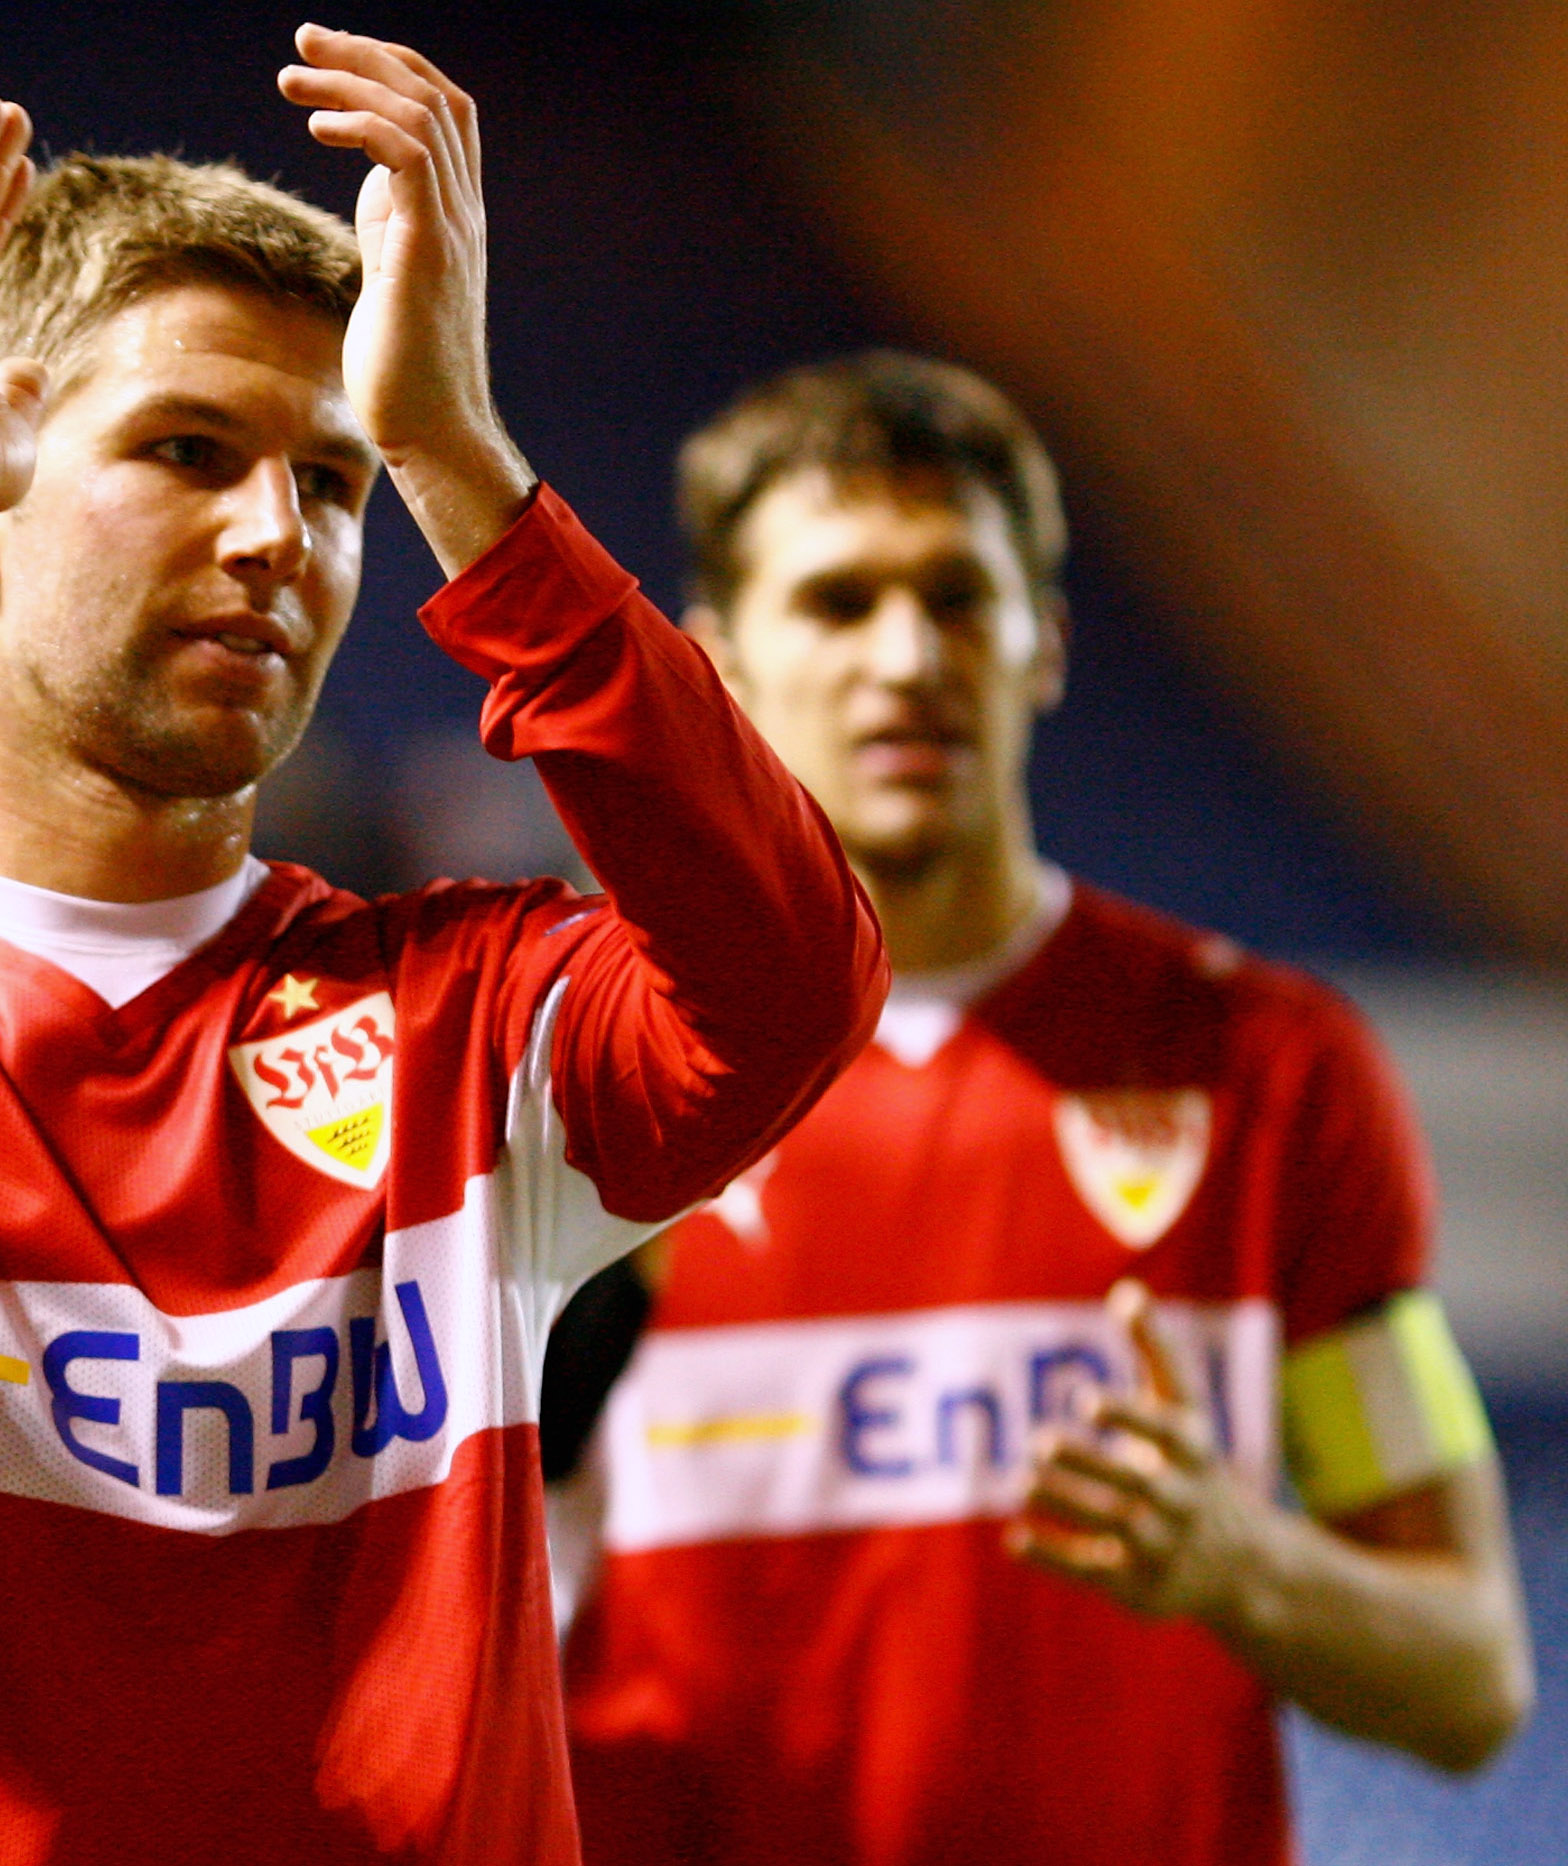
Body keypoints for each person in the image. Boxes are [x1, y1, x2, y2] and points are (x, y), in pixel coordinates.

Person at [0, 26, 883, 1863]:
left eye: (338, 484)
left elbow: (792, 991)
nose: (278, 534)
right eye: (188, 449)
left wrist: (464, 463)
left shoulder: (471, 1019)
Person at [553, 352, 1536, 1864]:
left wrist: (1243, 1566)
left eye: (957, 595)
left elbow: (1472, 1672)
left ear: (1047, 644)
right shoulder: (593, 1069)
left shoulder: (1267, 1067)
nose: (907, 656)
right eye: (838, 601)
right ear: (718, 664)